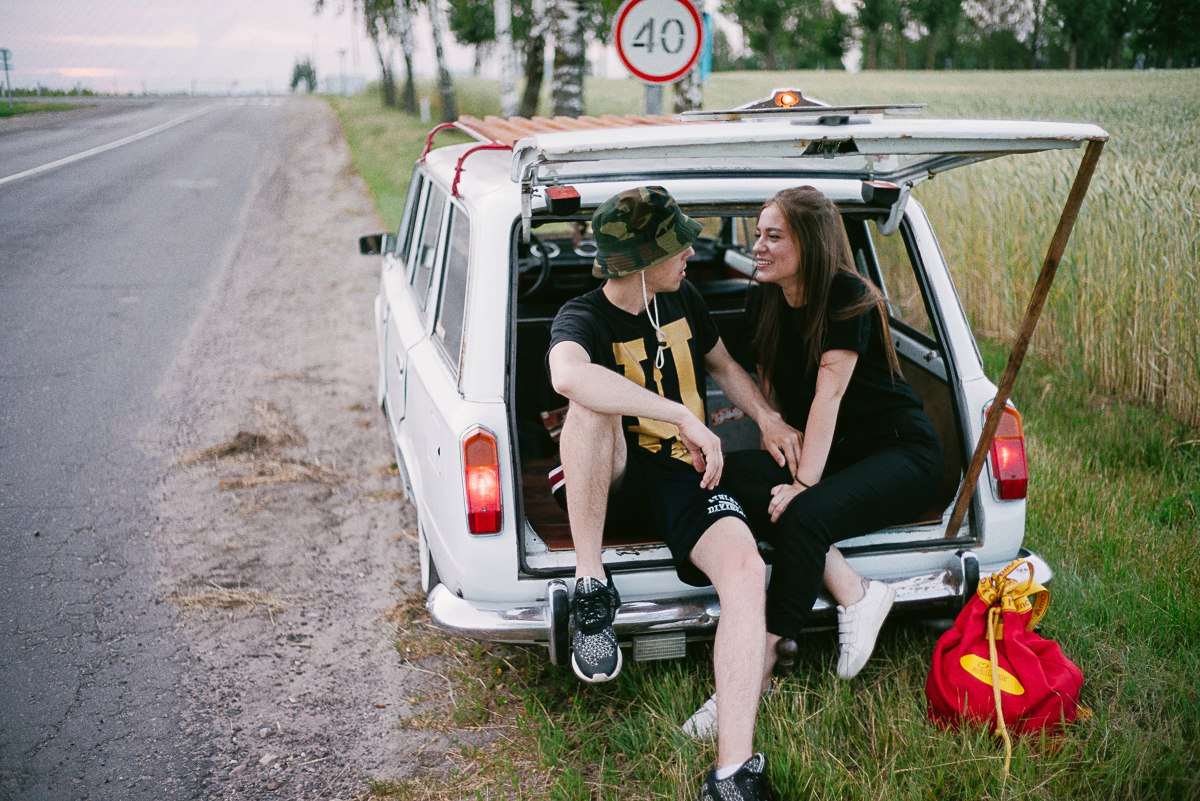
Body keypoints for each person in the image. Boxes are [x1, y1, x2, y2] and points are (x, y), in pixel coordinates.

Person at [547, 186, 800, 800]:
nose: (691, 248)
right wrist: (680, 416)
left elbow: (720, 366)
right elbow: (567, 373)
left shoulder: (683, 296)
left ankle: (732, 773)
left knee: (743, 567)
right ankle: (590, 584)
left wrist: (765, 418)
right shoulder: (582, 316)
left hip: (688, 474)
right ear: (638, 259)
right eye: (676, 241)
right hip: (618, 475)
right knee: (590, 405)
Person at [722, 185, 945, 682]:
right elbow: (770, 384)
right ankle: (854, 590)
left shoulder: (849, 295)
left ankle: (760, 665)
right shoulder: (766, 298)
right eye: (757, 234)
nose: (758, 245)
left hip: (899, 453)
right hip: (834, 455)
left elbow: (830, 396)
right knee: (733, 474)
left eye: (773, 236)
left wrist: (803, 484)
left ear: (812, 243)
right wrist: (777, 435)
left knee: (800, 512)